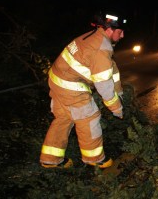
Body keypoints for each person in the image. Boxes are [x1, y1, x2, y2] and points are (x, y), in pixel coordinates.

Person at [40, 10, 127, 169]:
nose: (122, 36)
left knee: (64, 118)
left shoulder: (94, 37)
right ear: (109, 30)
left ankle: (50, 159)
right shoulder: (100, 49)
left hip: (57, 82)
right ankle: (94, 159)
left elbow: (111, 70)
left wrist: (119, 92)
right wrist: (117, 108)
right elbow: (104, 86)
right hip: (71, 88)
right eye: (120, 32)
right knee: (89, 118)